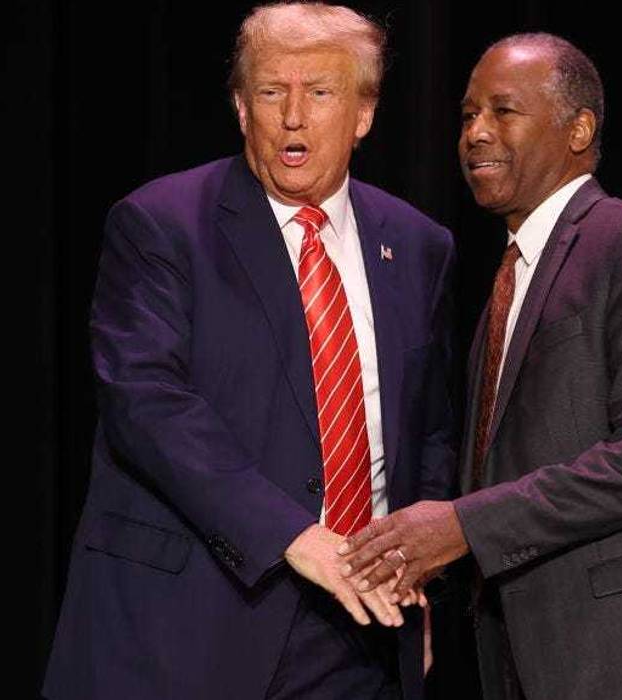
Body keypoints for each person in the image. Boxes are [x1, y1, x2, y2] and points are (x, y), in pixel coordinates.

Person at [42, 4, 457, 699]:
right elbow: (146, 402)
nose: (293, 116)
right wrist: (294, 535)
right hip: (196, 627)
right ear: (241, 108)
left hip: (362, 636)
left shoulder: (418, 245)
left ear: (363, 113)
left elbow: (431, 425)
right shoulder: (161, 224)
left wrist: (420, 567)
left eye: (320, 92)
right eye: (271, 92)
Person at [340, 33, 622, 699]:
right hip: (532, 654)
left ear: (579, 130)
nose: (475, 134)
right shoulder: (507, 283)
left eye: (503, 112)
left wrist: (463, 526)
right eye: (466, 115)